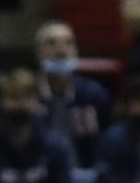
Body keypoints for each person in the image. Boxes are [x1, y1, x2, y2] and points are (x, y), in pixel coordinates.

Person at [0, 69, 70, 183]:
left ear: (37, 101)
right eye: (13, 98)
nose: (21, 105)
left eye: (27, 97)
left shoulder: (54, 147)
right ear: (0, 101)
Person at [35, 21, 109, 166]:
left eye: (69, 43)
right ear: (38, 52)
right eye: (51, 43)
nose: (61, 50)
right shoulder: (29, 95)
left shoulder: (94, 95)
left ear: (76, 51)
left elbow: (104, 140)